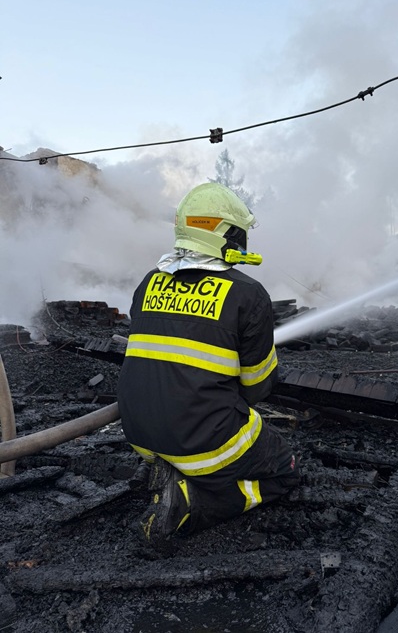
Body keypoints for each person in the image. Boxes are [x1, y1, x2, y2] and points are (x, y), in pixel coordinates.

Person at [117, 182, 299, 550]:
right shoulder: (247, 293)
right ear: (224, 234)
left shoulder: (148, 283)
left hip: (138, 435)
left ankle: (170, 470)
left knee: (200, 438)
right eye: (239, 234)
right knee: (283, 470)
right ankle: (188, 504)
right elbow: (258, 387)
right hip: (203, 443)